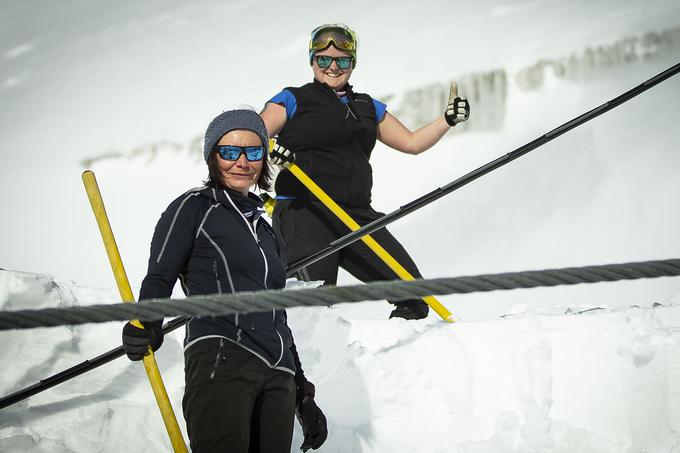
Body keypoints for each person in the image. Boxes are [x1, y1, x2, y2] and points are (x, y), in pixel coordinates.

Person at [121, 109, 327, 453]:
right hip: (222, 355)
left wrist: (302, 394)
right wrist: (146, 320)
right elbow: (160, 274)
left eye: (254, 151)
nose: (242, 162)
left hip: (278, 373)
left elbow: (277, 314)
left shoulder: (266, 229)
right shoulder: (194, 208)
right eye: (230, 151)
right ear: (212, 157)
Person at [260, 24, 470, 320]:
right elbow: (252, 133)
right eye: (324, 59)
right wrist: (271, 147)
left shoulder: (367, 107)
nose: (333, 67)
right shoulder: (293, 99)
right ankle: (309, 364)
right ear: (312, 61)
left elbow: (411, 143)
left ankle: (396, 364)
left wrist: (446, 120)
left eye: (342, 60)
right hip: (306, 213)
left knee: (413, 296)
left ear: (353, 63)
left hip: (356, 215)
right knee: (313, 309)